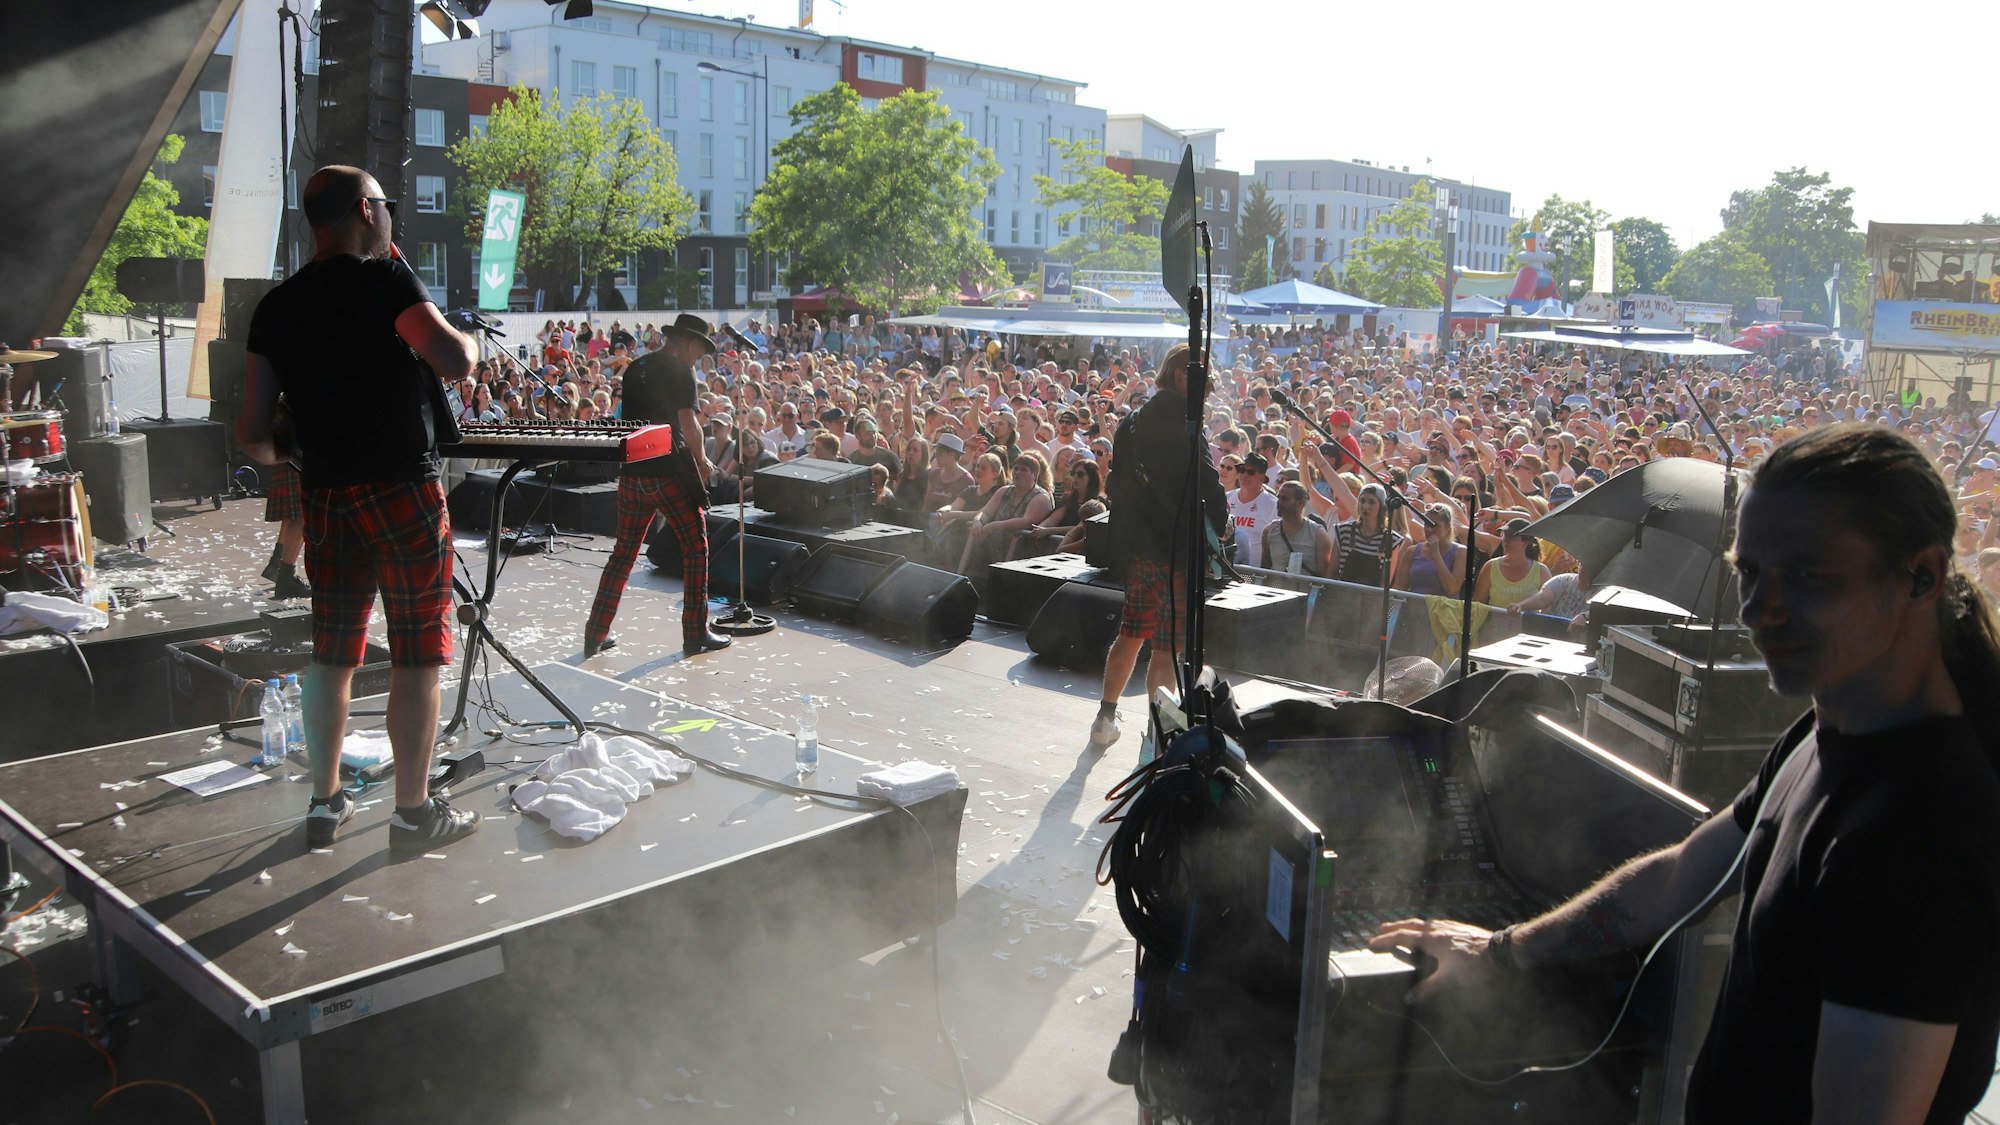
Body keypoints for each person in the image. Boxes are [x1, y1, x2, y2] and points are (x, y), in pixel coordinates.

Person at [1372, 424, 2000, 1124]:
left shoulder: (1916, 841)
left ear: (1922, 575)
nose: (1760, 609)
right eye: (1750, 572)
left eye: (1809, 576)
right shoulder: (1830, 729)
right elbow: (1681, 872)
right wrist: (1499, 948)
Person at [235, 164, 480, 853]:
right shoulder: (386, 280)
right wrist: (466, 340)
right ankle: (411, 815)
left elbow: (252, 432)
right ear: (367, 212)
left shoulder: (275, 308)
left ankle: (324, 802)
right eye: (386, 205)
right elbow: (451, 360)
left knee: (333, 652)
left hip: (327, 495)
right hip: (401, 485)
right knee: (416, 654)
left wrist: (296, 443)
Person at [1091, 344, 1227, 752]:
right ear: (1182, 376)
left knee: (1131, 634)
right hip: (1174, 549)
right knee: (1166, 646)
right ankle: (1161, 729)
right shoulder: (1188, 425)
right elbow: (1208, 483)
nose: (1206, 392)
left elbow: (1116, 484)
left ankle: (1104, 717)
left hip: (1139, 549)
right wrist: (1219, 528)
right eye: (1203, 382)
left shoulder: (1131, 421)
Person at [582, 313, 732, 659]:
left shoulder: (636, 367)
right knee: (696, 549)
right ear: (688, 342)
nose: (700, 357)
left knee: (623, 553)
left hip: (633, 471)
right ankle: (695, 634)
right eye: (700, 349)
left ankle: (595, 633)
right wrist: (703, 462)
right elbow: (689, 425)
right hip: (669, 471)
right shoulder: (682, 371)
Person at [1260, 480, 1333, 587]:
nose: (1279, 502)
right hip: (1275, 597)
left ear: (1300, 503)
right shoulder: (1269, 531)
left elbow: (1324, 577)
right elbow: (1264, 571)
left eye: (1285, 499)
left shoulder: (1318, 534)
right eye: (1278, 497)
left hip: (1304, 599)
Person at [258, 462, 311, 601]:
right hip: (296, 453)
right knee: (302, 512)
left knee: (295, 512)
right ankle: (286, 577)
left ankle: (278, 565)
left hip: (290, 452)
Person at [1226, 452, 1280, 568]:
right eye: (1242, 470)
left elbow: (1277, 546)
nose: (1244, 475)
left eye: (1250, 472)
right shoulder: (1226, 499)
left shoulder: (1273, 505)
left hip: (1255, 574)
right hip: (1226, 569)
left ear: (1262, 477)